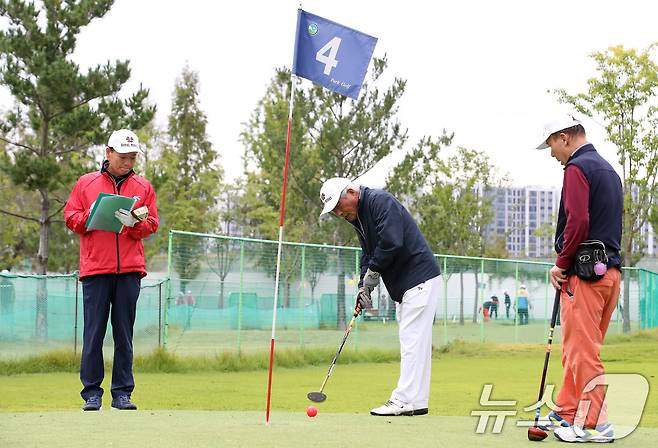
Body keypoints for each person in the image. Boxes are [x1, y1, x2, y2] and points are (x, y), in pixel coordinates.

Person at [319, 178, 441, 416]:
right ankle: (417, 401)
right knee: (417, 344)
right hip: (408, 284)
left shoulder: (380, 202)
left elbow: (391, 242)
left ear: (352, 192)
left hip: (418, 278)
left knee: (412, 342)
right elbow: (369, 254)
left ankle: (402, 400)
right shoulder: (359, 218)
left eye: (338, 206)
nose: (338, 213)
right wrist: (364, 286)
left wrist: (374, 272)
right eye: (333, 210)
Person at [536, 115, 622, 443]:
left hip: (584, 277)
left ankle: (595, 423)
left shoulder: (577, 168)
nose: (551, 152)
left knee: (582, 352)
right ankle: (567, 411)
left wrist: (560, 263)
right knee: (577, 349)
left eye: (551, 145)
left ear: (565, 138)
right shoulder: (609, 170)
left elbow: (578, 221)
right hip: (609, 275)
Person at [64, 129, 159, 412]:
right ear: (108, 153)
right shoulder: (86, 183)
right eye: (122, 157)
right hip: (95, 270)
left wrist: (135, 224)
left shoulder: (143, 187)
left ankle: (122, 394)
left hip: (130, 270)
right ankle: (92, 393)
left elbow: (152, 222)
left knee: (124, 335)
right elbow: (70, 217)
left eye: (132, 158)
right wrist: (90, 214)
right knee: (93, 333)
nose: (127, 163)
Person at [0, 269, 16, 335]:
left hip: (9, 302)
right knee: (2, 316)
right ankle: (2, 330)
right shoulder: (0, 283)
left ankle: (10, 330)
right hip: (1, 302)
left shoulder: (10, 283)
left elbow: (13, 293)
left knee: (9, 315)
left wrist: (12, 301)